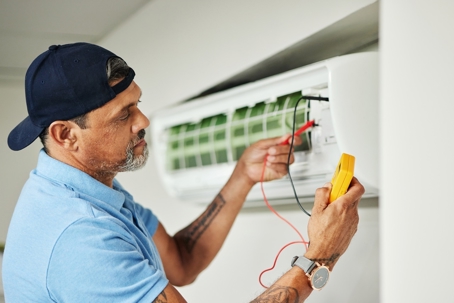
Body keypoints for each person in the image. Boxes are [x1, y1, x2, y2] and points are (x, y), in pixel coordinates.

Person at [2, 42, 364, 303]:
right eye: (123, 114)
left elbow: (181, 261)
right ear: (66, 135)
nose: (143, 121)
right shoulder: (79, 237)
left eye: (136, 104)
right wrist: (319, 257)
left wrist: (242, 177)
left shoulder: (86, 191)